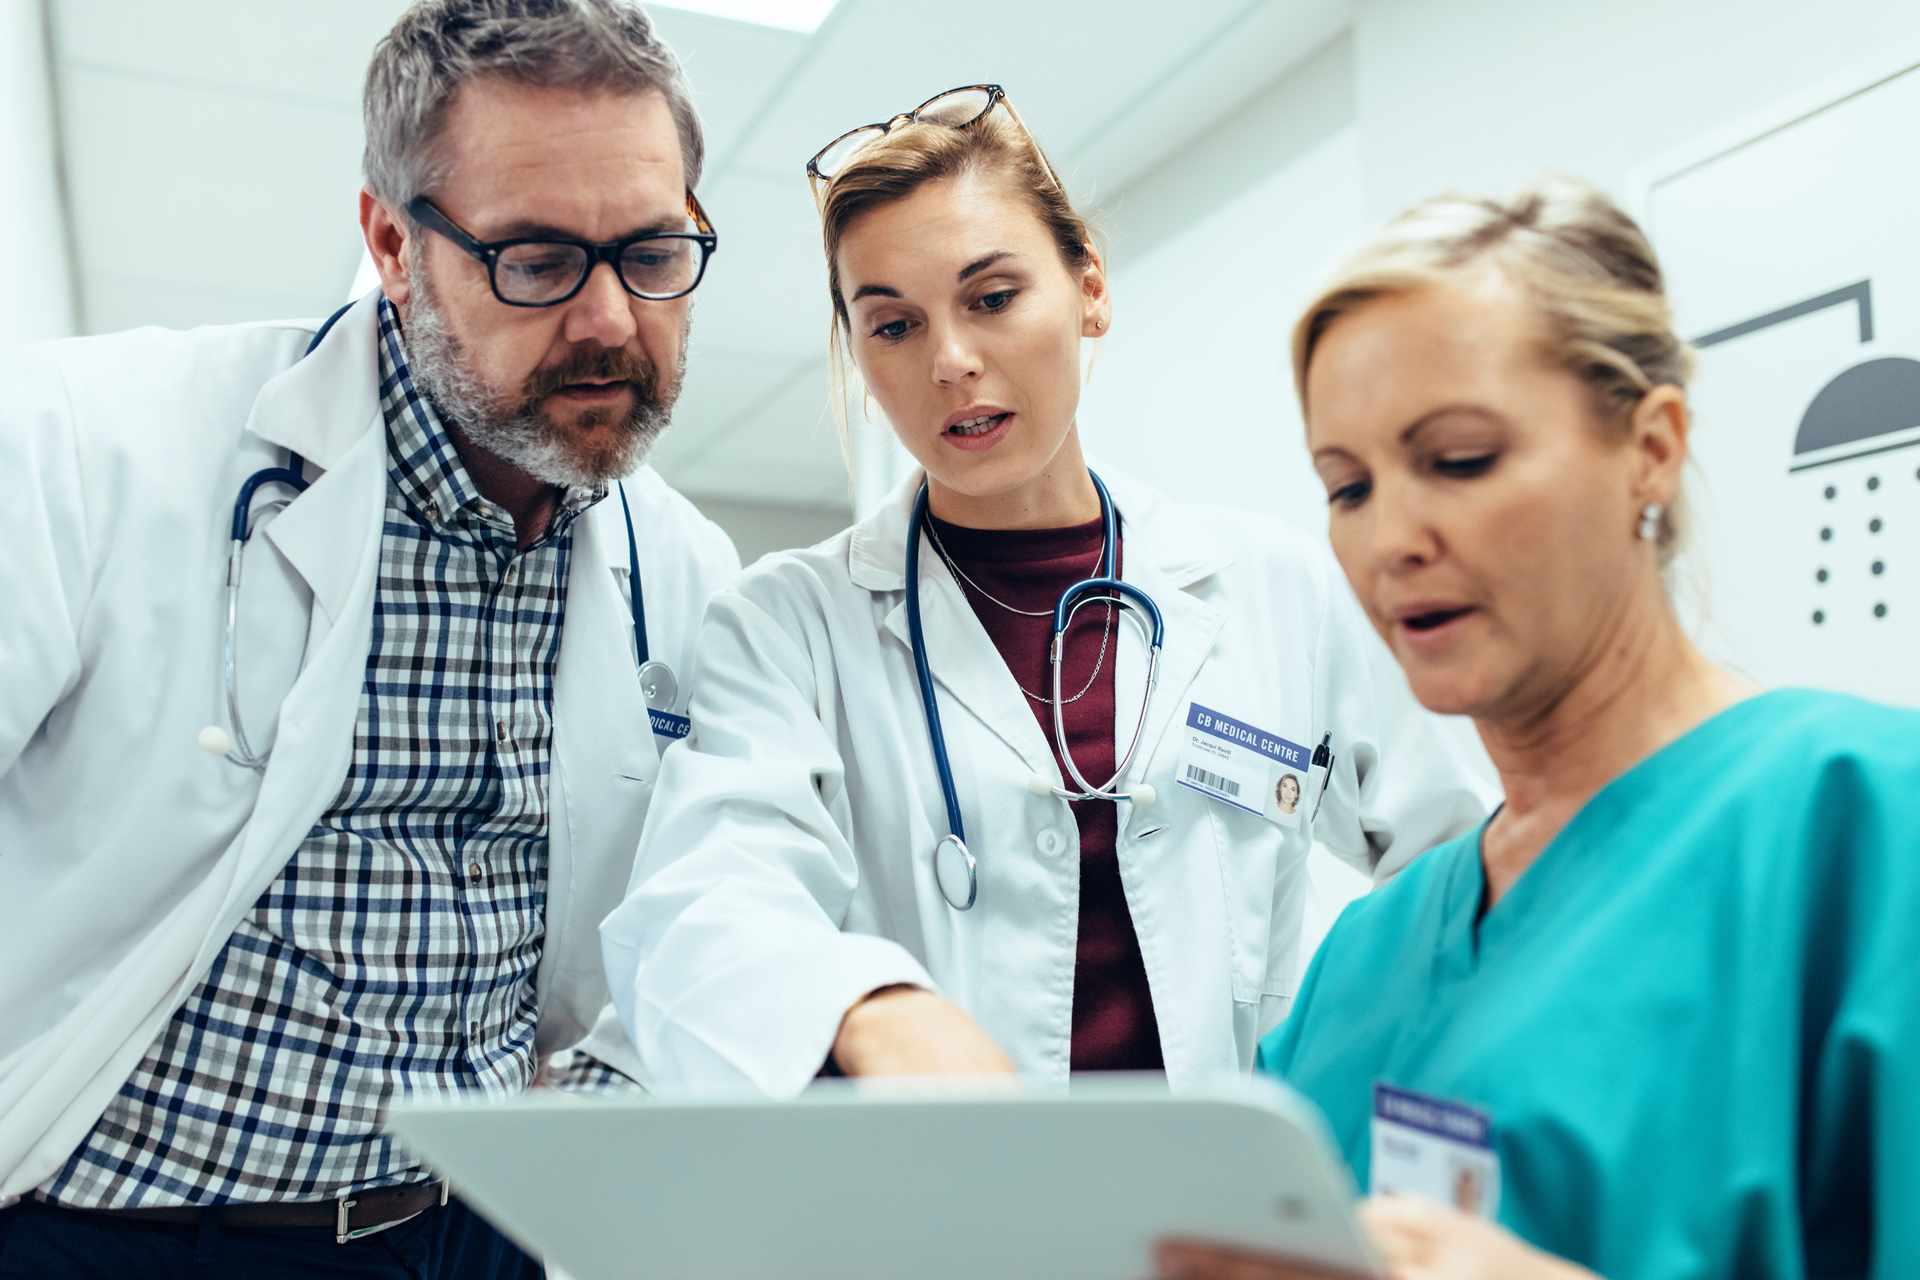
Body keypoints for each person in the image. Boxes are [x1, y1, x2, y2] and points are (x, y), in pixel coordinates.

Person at [0, 2, 739, 1274]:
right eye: (539, 260)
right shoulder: (88, 441)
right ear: (394, 243)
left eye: (653, 252)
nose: (613, 319)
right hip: (120, 1229)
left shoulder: (684, 570)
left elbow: (672, 934)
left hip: (481, 1233)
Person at [599, 86, 1495, 1095]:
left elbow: (1455, 867)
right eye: (892, 324)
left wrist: (1351, 1071)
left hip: (1222, 1208)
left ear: (1089, 289)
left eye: (991, 298)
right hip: (948, 1213)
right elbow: (705, 904)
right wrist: (869, 1004)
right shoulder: (786, 628)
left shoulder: (1271, 586)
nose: (950, 361)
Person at [1157, 178, 1920, 1280]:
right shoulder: (1363, 962)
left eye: (1459, 459)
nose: (1391, 539)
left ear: (1651, 447)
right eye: (1348, 485)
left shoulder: (1862, 826)